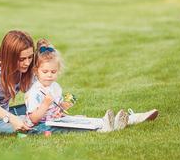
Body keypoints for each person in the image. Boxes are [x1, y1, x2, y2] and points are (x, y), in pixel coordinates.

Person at [24, 39, 158, 134]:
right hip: (42, 125)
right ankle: (104, 127)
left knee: (77, 120)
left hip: (56, 119)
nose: (49, 75)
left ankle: (129, 119)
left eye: (53, 72)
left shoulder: (55, 87)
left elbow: (57, 109)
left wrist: (63, 106)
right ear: (36, 71)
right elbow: (33, 119)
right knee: (72, 126)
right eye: (45, 72)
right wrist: (45, 105)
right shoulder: (35, 92)